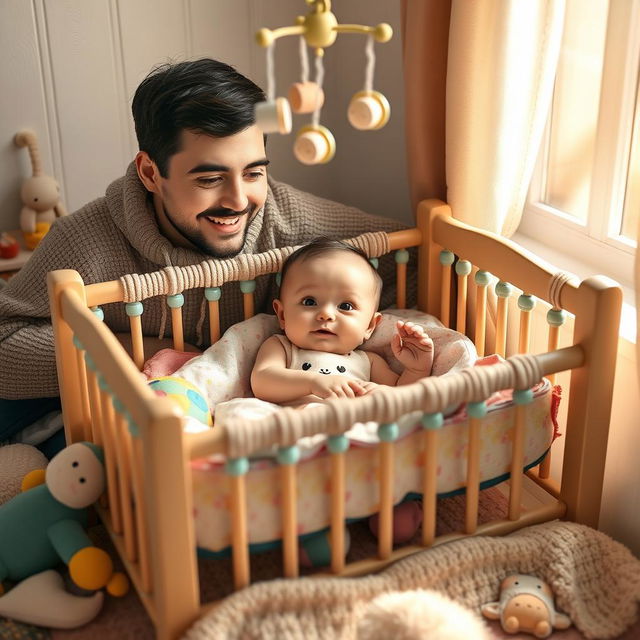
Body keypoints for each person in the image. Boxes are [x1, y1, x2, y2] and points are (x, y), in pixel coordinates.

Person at [0, 58, 411, 448]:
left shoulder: (287, 217)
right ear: (150, 173)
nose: (237, 201)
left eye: (253, 173)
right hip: (104, 402)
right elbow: (5, 344)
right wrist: (145, 349)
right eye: (210, 178)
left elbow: (409, 251)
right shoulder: (84, 239)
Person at [251, 238, 433, 405]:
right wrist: (313, 382)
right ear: (282, 316)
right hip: (301, 427)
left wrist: (416, 370)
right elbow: (262, 381)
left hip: (355, 432)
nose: (326, 314)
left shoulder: (369, 362)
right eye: (310, 302)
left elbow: (404, 397)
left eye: (346, 306)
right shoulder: (281, 347)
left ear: (369, 326)